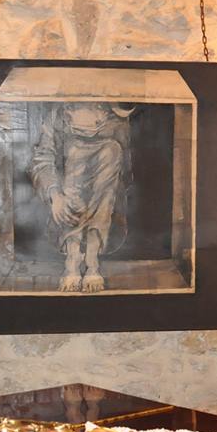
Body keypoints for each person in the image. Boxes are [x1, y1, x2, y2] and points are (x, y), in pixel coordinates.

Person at [29, 102, 133, 293]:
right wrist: (55, 195)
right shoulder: (58, 113)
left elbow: (126, 169)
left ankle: (92, 259)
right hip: (68, 182)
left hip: (105, 188)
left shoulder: (116, 113)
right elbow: (43, 157)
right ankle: (73, 258)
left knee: (112, 150)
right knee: (74, 152)